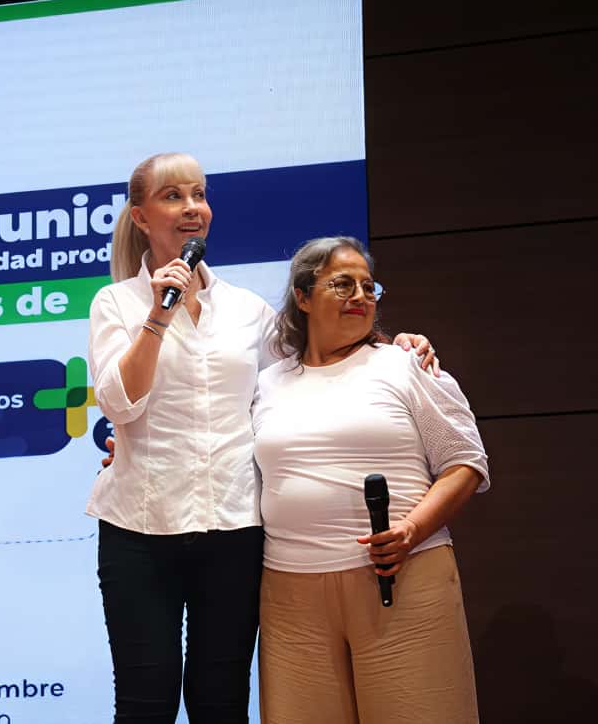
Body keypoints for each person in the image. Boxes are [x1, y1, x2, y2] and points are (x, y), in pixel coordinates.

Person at [87, 152, 437, 724]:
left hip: (234, 526)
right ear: (141, 216)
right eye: (173, 196)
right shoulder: (116, 302)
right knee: (145, 703)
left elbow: (315, 360)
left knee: (221, 702)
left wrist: (396, 343)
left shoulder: (247, 310)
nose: (192, 208)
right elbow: (118, 403)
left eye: (199, 194)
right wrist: (157, 317)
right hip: (138, 528)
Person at [251, 235, 489, 724]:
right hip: (289, 596)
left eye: (368, 286)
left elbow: (465, 463)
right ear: (302, 296)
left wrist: (411, 531)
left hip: (403, 576)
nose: (360, 296)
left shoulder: (407, 364)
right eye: (342, 284)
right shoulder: (267, 384)